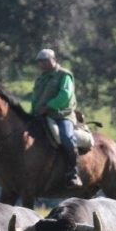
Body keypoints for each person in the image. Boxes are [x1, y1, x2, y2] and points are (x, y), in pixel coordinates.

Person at [29, 48, 82, 187]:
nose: (42, 64)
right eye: (39, 61)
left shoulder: (64, 75)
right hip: (40, 115)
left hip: (61, 115)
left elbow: (65, 95)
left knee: (66, 137)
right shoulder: (41, 78)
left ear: (53, 60)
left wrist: (48, 106)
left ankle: (73, 172)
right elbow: (35, 99)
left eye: (45, 60)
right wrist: (32, 112)